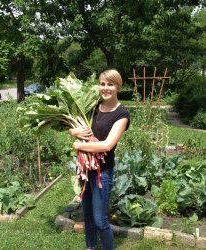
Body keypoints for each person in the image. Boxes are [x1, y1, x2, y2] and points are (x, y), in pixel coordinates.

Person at [69, 69, 130, 250]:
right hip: (86, 170)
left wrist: (78, 145)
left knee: (100, 219)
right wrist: (75, 132)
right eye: (102, 84)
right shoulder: (94, 106)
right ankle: (91, 247)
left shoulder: (122, 115)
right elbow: (73, 126)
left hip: (102, 172)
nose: (105, 88)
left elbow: (106, 146)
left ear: (118, 86)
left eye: (110, 84)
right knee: (87, 214)